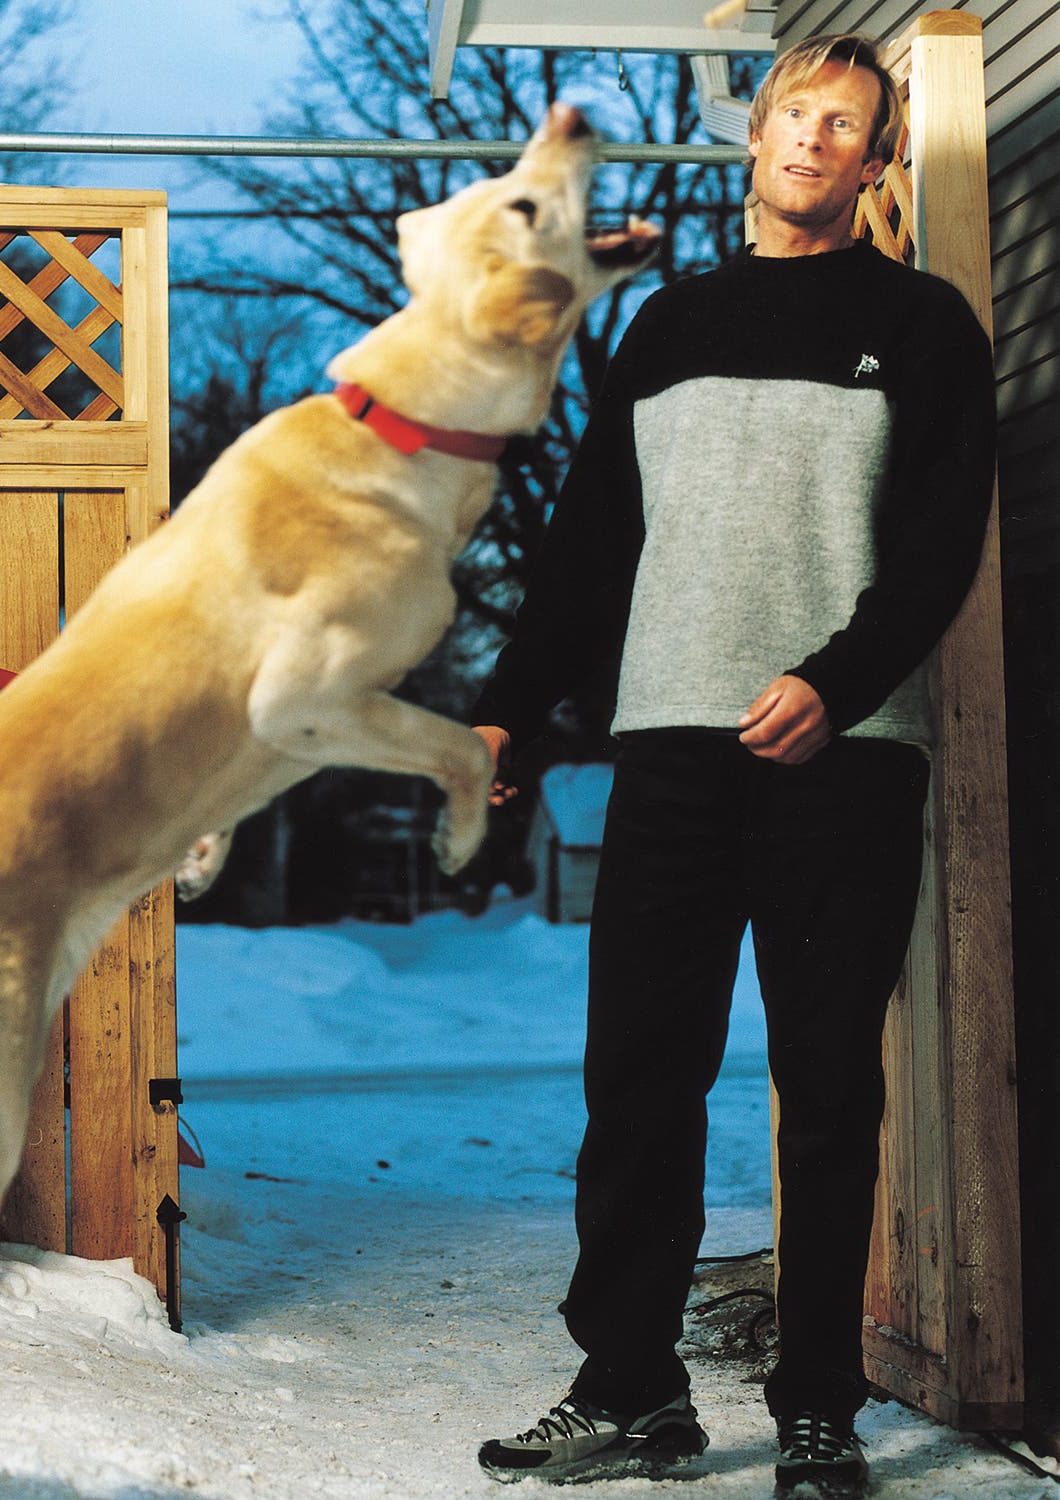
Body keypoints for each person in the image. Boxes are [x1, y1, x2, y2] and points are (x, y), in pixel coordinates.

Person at [470, 35, 996, 1500]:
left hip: (847, 756)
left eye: (849, 126)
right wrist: (510, 708)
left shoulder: (926, 325)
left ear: (879, 163)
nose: (816, 140)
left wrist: (836, 683)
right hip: (671, 754)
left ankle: (821, 1402)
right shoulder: (668, 328)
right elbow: (589, 549)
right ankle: (629, 1387)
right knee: (639, 1073)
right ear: (756, 134)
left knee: (827, 1086)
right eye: (798, 116)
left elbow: (942, 545)